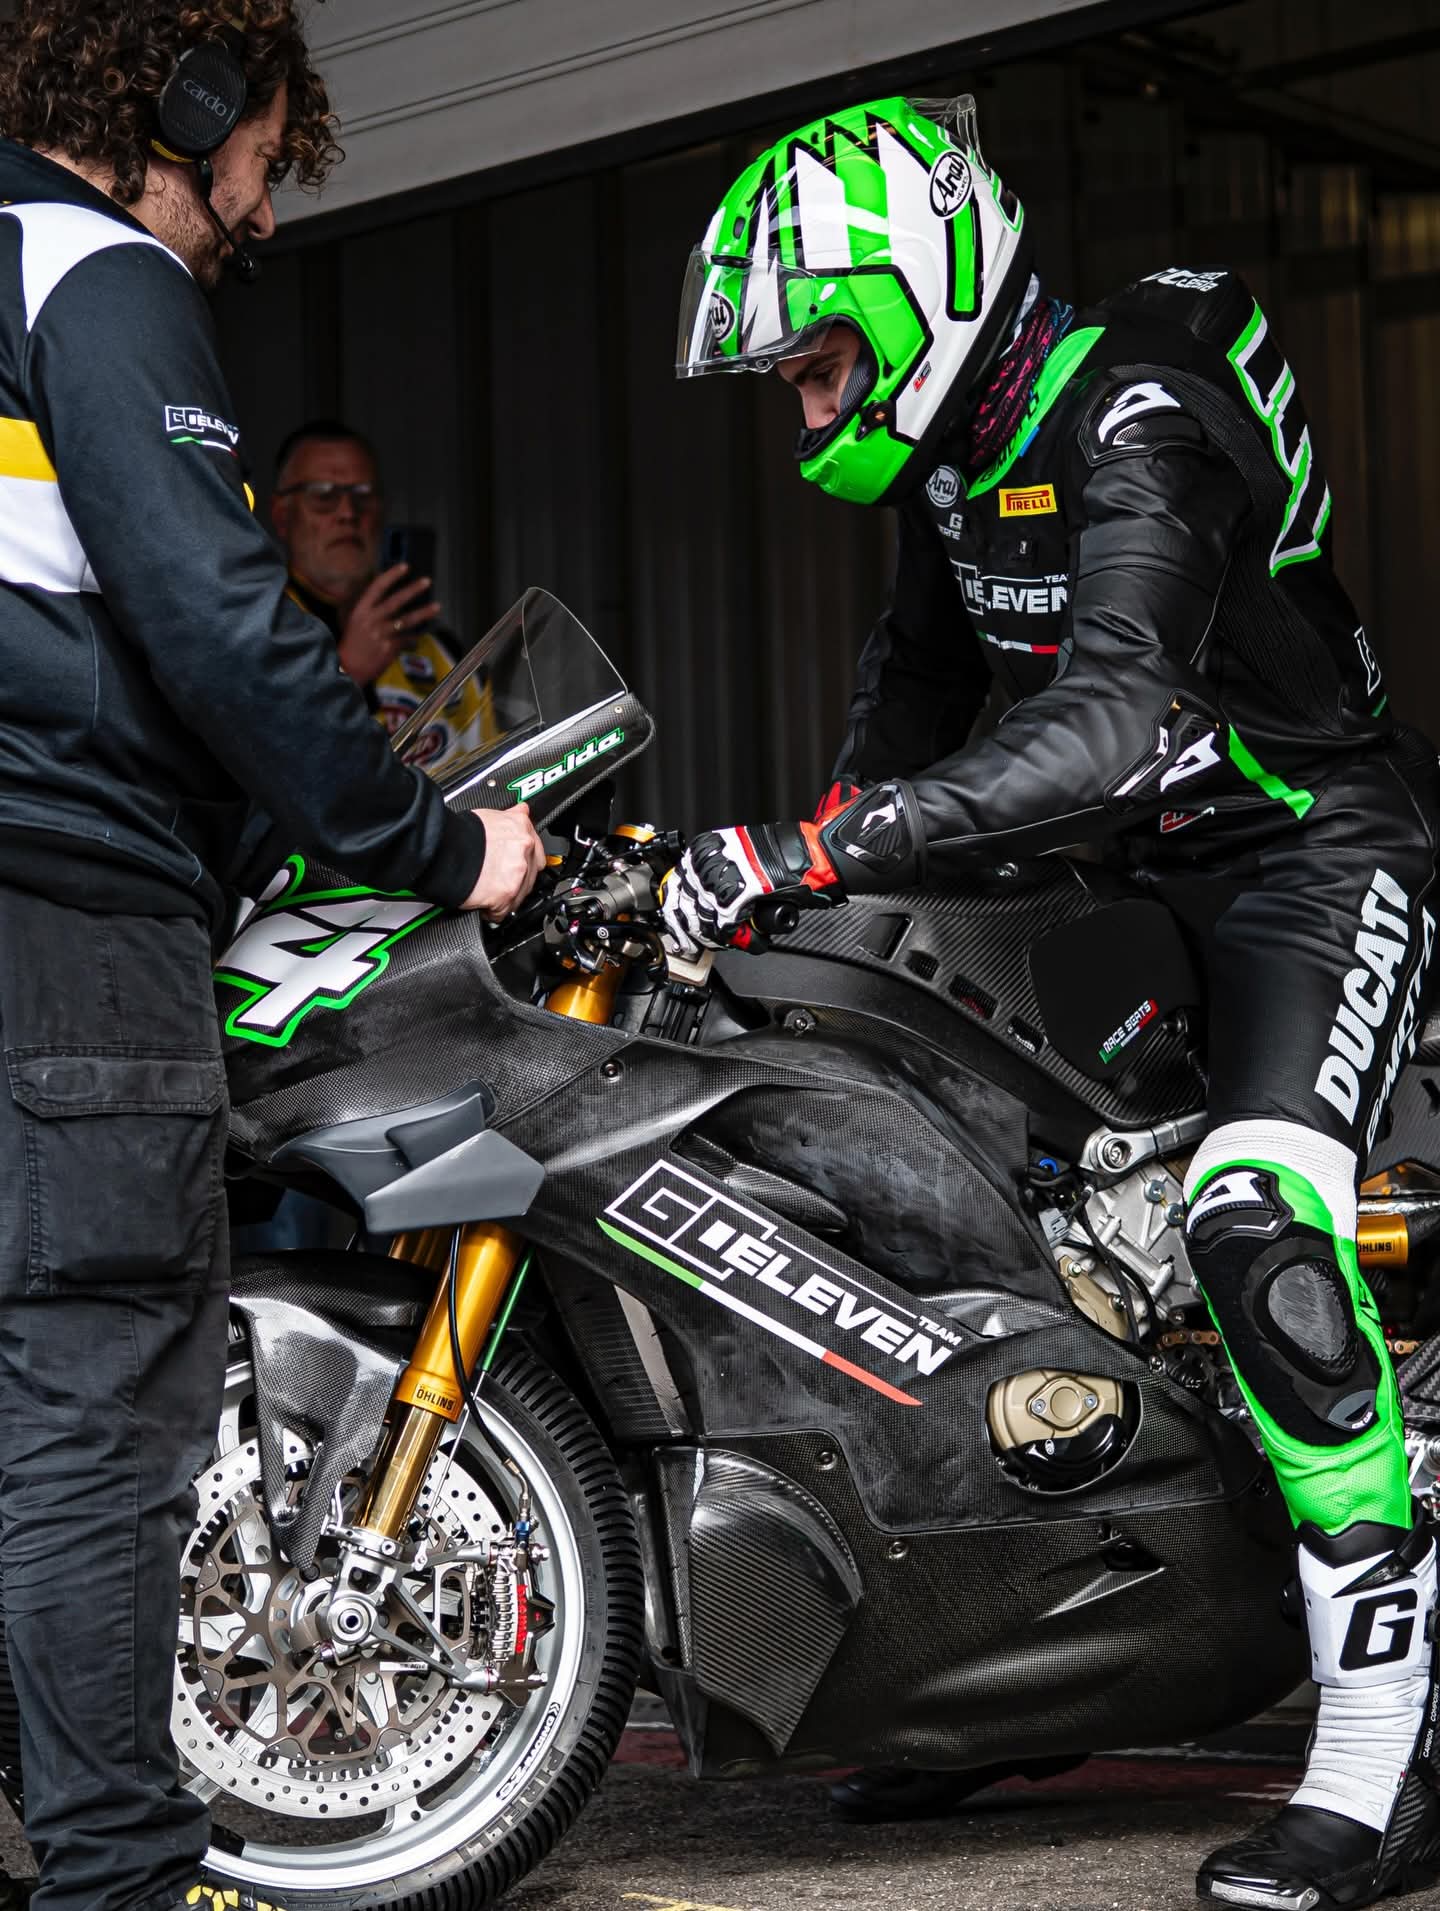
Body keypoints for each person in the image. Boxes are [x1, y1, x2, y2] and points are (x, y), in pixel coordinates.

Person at [665, 94, 1440, 1911]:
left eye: (817, 363)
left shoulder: (1143, 413)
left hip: (1312, 851)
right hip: (1119, 878)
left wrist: (815, 843)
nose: (806, 408)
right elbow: (908, 717)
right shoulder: (954, 464)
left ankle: (1386, 1738)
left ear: (916, 294)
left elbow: (1104, 723)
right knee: (942, 1207)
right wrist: (784, 887)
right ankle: (1012, 1668)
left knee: (1254, 1225)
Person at [0, 7, 545, 1911]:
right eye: (262, 155)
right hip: (60, 927)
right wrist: (446, 844)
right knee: (91, 1417)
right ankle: (123, 1889)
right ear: (192, 100)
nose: (263, 208)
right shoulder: (91, 273)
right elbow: (223, 633)